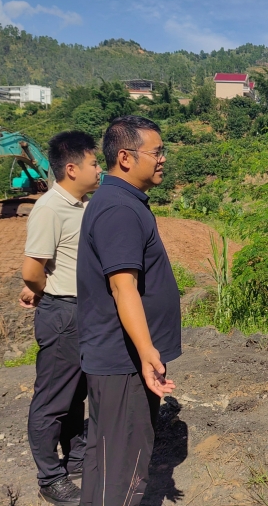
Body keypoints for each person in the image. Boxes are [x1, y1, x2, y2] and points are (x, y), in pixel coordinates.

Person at [77, 115, 180, 506]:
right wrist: (147, 351)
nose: (162, 159)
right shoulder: (119, 209)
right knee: (124, 470)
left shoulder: (120, 202)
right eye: (156, 152)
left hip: (119, 358)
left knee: (106, 462)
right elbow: (123, 288)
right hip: (123, 362)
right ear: (125, 157)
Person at [20, 131, 101, 505]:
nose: (98, 169)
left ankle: (76, 458)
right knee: (52, 398)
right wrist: (41, 291)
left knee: (75, 392)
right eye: (94, 163)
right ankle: (50, 478)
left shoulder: (82, 205)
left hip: (83, 310)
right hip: (63, 311)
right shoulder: (50, 207)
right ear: (72, 168)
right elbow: (31, 270)